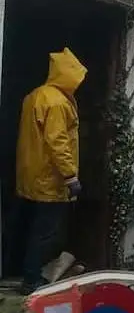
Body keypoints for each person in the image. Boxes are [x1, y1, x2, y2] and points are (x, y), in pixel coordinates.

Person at [15, 47, 86, 295]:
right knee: (45, 232)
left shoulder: (34, 96)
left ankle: (24, 272)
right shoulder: (57, 102)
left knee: (28, 226)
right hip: (50, 179)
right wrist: (70, 175)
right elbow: (57, 141)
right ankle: (32, 280)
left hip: (30, 175)